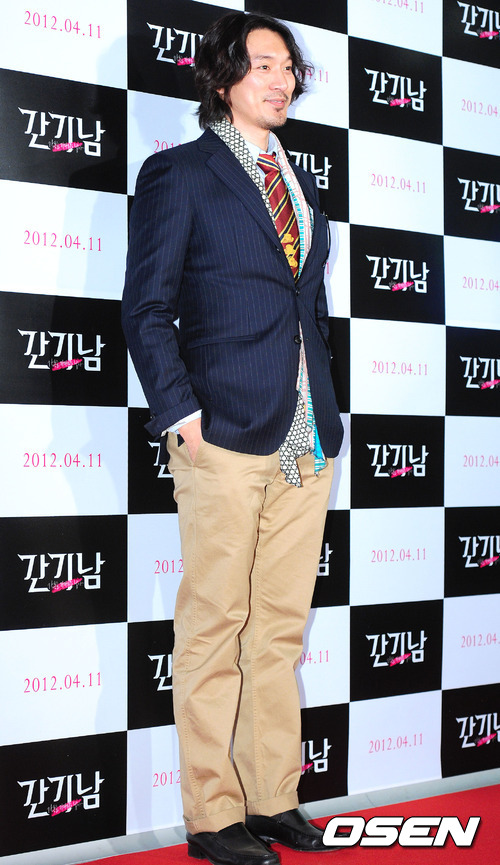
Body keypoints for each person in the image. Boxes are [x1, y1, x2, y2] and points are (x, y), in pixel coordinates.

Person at [122, 11, 344, 865]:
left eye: (289, 66)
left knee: (279, 629)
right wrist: (180, 413)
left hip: (306, 435)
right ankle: (213, 813)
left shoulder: (301, 180)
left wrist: (326, 404)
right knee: (215, 624)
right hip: (221, 431)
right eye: (263, 65)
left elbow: (305, 306)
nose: (282, 80)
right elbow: (146, 307)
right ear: (222, 78)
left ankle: (271, 797)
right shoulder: (180, 173)